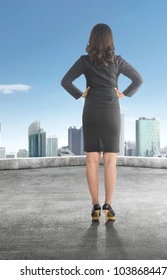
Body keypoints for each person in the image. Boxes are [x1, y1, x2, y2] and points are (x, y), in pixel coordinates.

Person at [61, 23, 142, 222]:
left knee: (91, 160)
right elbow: (138, 79)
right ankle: (109, 206)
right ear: (110, 40)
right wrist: (124, 93)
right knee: (111, 160)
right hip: (111, 110)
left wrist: (81, 94)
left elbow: (65, 81)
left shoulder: (84, 61)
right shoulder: (118, 61)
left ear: (92, 39)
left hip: (91, 111)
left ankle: (95, 207)